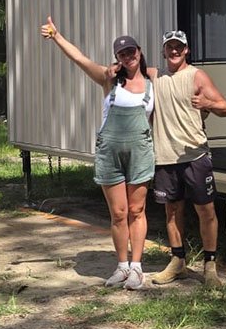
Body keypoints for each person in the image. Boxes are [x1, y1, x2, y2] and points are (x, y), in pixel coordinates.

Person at [40, 16, 154, 290]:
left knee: (137, 210)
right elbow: (80, 59)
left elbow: (181, 83)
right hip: (110, 152)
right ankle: (122, 266)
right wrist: (56, 36)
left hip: (140, 151)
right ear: (117, 58)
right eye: (122, 53)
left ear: (139, 52)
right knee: (118, 212)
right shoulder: (109, 79)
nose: (128, 57)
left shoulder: (154, 80)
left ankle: (138, 268)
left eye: (131, 51)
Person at [149, 28, 226, 285]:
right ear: (163, 50)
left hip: (195, 155)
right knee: (172, 212)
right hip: (165, 157)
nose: (174, 50)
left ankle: (209, 266)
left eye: (179, 46)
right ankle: (178, 262)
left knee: (205, 211)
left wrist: (207, 104)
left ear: (186, 50)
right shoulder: (154, 75)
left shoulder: (197, 76)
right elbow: (120, 67)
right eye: (169, 46)